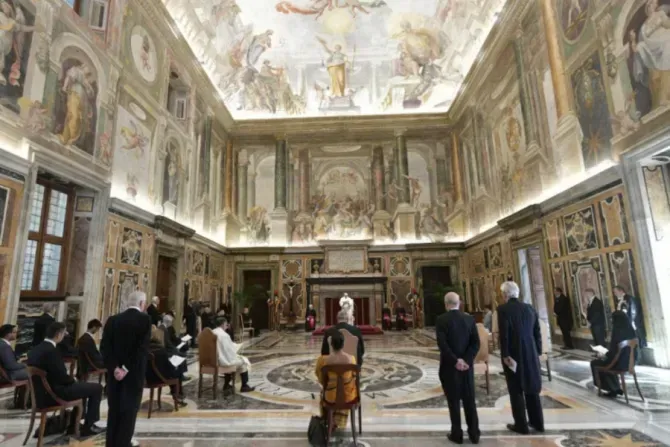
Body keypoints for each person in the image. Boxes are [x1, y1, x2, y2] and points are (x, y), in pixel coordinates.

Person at [27, 322, 104, 436]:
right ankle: (88, 425)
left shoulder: (35, 349)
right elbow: (61, 376)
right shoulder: (52, 351)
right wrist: (73, 381)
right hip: (56, 392)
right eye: (64, 334)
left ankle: (74, 424)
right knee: (97, 388)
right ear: (58, 335)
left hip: (42, 394)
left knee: (83, 388)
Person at [101, 290, 152, 447]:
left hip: (114, 374)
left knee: (114, 409)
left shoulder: (113, 319)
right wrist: (125, 368)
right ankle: (124, 443)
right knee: (129, 410)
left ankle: (111, 443)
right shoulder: (145, 319)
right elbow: (141, 349)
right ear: (142, 304)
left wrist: (115, 368)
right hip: (133, 373)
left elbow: (105, 347)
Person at [498, 281, 544, 435]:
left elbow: (504, 335)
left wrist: (505, 355)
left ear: (505, 294)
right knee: (532, 387)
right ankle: (538, 423)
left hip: (513, 354)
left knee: (516, 389)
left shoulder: (503, 309)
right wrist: (537, 351)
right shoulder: (530, 308)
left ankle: (521, 425)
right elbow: (537, 332)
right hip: (530, 352)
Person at [436, 292, 480, 445]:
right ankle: (474, 434)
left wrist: (455, 361)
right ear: (459, 303)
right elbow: (476, 343)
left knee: (453, 401)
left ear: (446, 304)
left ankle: (457, 434)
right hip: (467, 368)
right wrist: (466, 360)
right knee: (470, 401)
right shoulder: (469, 319)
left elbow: (442, 345)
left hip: (449, 367)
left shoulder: (441, 320)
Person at [314, 331, 357, 432]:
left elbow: (321, 379)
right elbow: (354, 377)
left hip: (330, 397)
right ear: (343, 344)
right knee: (348, 387)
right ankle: (340, 420)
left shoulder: (323, 360)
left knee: (323, 392)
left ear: (331, 344)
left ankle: (329, 421)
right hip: (348, 397)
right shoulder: (352, 359)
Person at [590, 310, 637, 398]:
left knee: (595, 363)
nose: (611, 321)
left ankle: (610, 388)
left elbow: (613, 353)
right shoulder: (631, 330)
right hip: (631, 363)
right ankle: (615, 387)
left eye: (612, 319)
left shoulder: (617, 331)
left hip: (619, 362)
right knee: (607, 361)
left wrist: (603, 353)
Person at [146, 326, 186, 407]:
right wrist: (175, 366)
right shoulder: (161, 350)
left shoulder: (145, 349)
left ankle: (176, 394)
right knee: (178, 373)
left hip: (147, 378)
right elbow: (168, 367)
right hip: (158, 378)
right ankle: (178, 395)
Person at [212, 317, 255, 393]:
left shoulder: (212, 332)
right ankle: (244, 385)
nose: (227, 326)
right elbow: (229, 351)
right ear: (222, 324)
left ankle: (226, 384)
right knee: (243, 361)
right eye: (226, 325)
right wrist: (238, 346)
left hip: (210, 362)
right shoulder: (224, 335)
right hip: (220, 363)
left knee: (226, 359)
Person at [159, 315, 188, 379]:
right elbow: (167, 343)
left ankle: (180, 374)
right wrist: (175, 349)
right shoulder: (163, 329)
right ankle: (180, 376)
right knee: (182, 355)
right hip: (166, 351)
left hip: (164, 349)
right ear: (168, 322)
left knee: (181, 352)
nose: (171, 324)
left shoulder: (161, 327)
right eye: (171, 322)